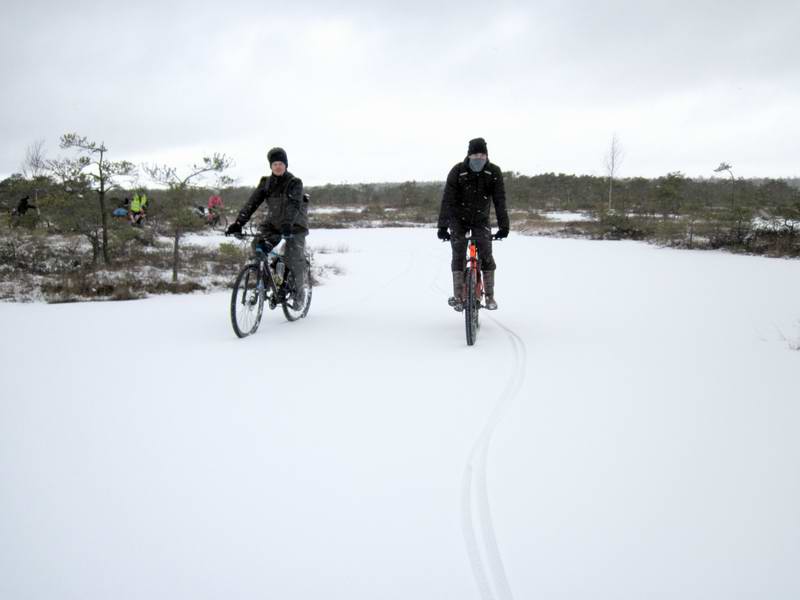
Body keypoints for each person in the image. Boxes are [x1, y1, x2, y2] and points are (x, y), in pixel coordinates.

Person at [225, 147, 309, 306]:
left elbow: (293, 205)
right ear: (271, 166)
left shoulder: (294, 183)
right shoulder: (266, 183)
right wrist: (238, 223)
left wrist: (287, 224)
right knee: (258, 245)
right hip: (274, 223)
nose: (278, 166)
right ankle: (265, 282)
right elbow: (252, 203)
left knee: (294, 258)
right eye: (275, 164)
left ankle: (299, 293)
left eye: (281, 163)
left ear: (286, 165)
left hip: (295, 225)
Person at [437, 137, 509, 311]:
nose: (479, 158)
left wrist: (504, 226)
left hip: (481, 220)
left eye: (482, 155)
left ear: (487, 155)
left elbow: (500, 201)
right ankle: (458, 296)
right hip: (458, 219)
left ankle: (490, 296)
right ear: (469, 155)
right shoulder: (458, 171)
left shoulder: (493, 172)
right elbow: (448, 199)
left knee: (486, 254)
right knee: (459, 254)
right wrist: (442, 226)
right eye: (476, 155)